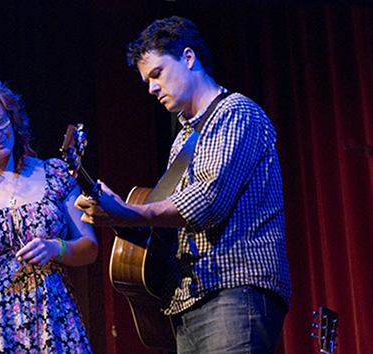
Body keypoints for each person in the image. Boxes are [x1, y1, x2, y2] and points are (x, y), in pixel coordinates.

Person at [75, 16, 291, 353]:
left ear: (189, 58)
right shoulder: (184, 140)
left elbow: (208, 201)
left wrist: (130, 212)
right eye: (146, 80)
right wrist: (115, 215)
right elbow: (165, 229)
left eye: (157, 74)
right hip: (188, 298)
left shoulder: (236, 112)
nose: (151, 88)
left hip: (235, 288)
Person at [0, 79, 98, 354]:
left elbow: (89, 248)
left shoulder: (55, 175)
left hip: (52, 317)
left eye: (1, 122)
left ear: (12, 119)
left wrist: (55, 248)